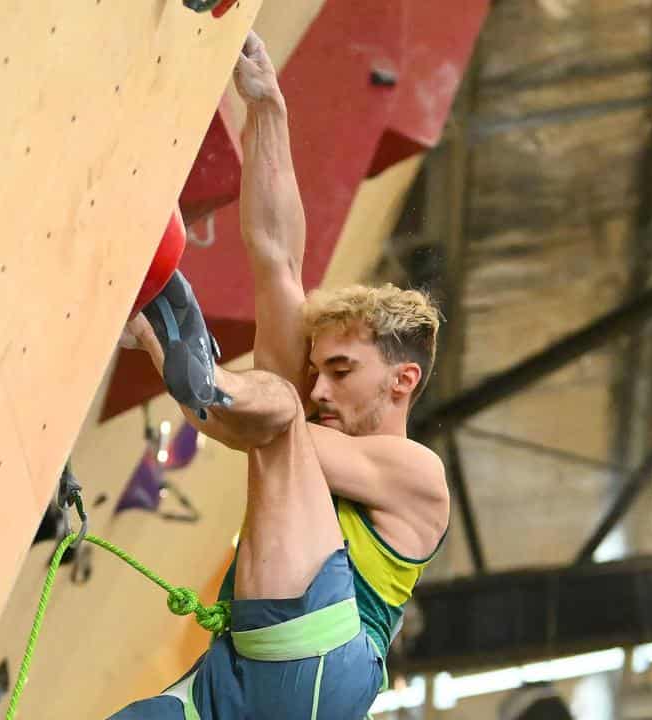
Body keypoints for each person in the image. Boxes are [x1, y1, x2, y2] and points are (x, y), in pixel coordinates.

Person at [110, 30, 451, 720]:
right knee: (273, 411)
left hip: (324, 669)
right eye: (319, 366)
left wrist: (220, 391)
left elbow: (256, 426)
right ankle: (164, 332)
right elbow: (276, 258)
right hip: (237, 676)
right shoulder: (306, 429)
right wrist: (266, 108)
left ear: (402, 381)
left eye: (343, 369)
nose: (321, 386)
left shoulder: (418, 476)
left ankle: (190, 356)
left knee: (279, 415)